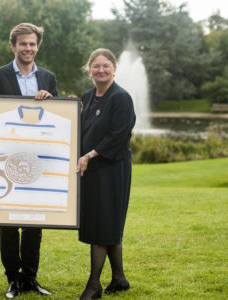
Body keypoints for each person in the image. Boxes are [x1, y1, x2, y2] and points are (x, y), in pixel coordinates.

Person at [0, 22, 57, 299]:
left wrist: (51, 101)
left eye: (32, 44)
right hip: (6, 159)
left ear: (38, 46)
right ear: (13, 46)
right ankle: (13, 279)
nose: (28, 48)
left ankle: (31, 279)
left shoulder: (48, 78)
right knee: (8, 222)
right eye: (23, 44)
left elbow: (59, 119)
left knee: (35, 222)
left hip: (39, 161)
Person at [76, 48, 136, 299]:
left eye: (106, 66)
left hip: (112, 169)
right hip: (91, 170)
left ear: (114, 68)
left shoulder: (121, 98)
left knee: (103, 223)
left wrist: (89, 156)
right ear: (89, 69)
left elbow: (118, 135)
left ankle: (94, 285)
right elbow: (80, 129)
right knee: (105, 221)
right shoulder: (88, 96)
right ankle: (119, 278)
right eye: (96, 66)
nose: (101, 70)